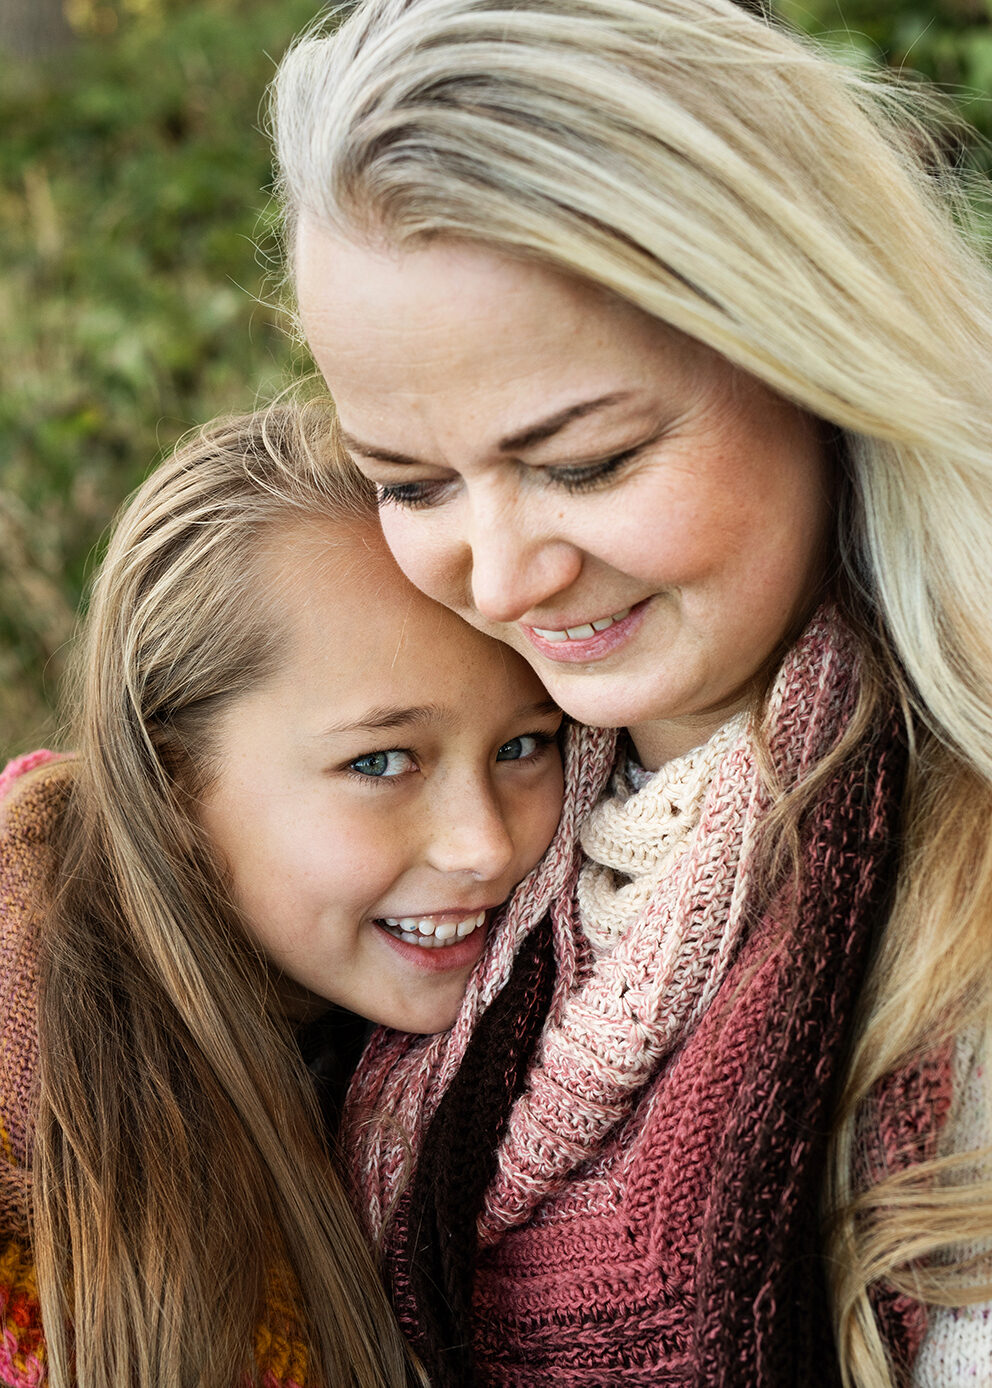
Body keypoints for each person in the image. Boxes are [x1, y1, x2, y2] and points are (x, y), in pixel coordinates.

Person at [270, 0, 992, 1383]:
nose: (503, 573)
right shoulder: (462, 810)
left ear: (812, 354)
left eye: (587, 463)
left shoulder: (954, 913)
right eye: (411, 481)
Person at [0, 401, 567, 1388]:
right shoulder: (39, 1190)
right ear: (174, 780)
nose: (483, 844)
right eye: (382, 759)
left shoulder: (396, 1045)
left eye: (522, 744)